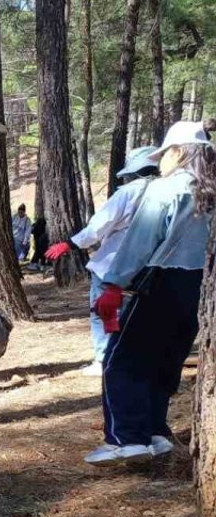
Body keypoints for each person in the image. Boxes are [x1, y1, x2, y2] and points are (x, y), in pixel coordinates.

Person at [83, 121, 216, 465]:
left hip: (161, 282)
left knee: (121, 361)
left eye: (163, 154)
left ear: (178, 152)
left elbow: (141, 241)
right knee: (164, 361)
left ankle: (126, 438)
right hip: (201, 290)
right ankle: (155, 431)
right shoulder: (211, 192)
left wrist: (113, 284)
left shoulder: (166, 189)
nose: (159, 162)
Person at [46, 145, 161, 376]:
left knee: (104, 313)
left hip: (111, 266)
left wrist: (70, 244)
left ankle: (104, 359)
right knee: (131, 315)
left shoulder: (127, 193)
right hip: (145, 268)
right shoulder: (165, 191)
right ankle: (128, 356)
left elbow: (98, 227)